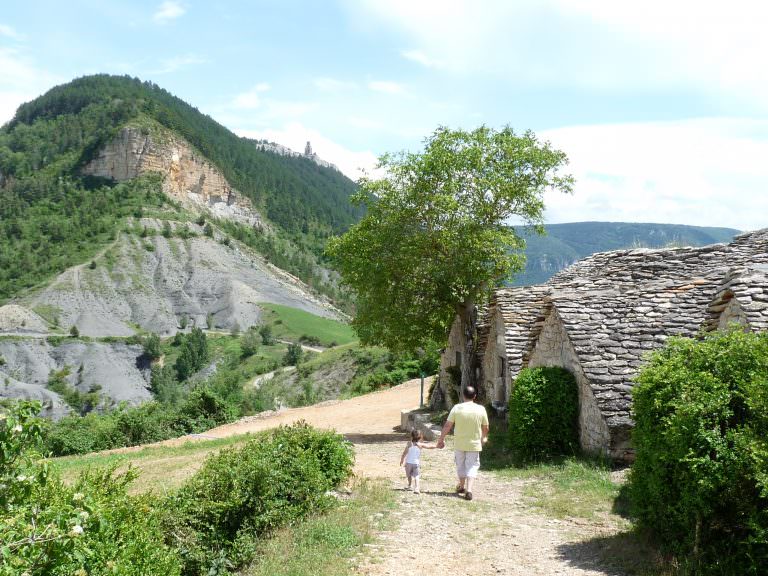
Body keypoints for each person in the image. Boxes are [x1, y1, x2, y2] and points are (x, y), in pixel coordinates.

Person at [436, 386, 489, 501]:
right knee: (472, 466)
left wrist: (441, 439)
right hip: (474, 444)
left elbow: (447, 425)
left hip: (459, 443)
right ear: (475, 396)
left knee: (460, 465)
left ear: (463, 395)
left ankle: (461, 486)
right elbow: (486, 427)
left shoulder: (457, 408)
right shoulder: (481, 409)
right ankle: (469, 490)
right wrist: (484, 438)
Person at [399, 429, 435, 494]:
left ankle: (409, 485)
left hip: (408, 463)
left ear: (411, 436)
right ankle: (417, 488)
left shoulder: (409, 443)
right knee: (416, 476)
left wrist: (402, 459)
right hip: (416, 463)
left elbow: (404, 453)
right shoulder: (420, 445)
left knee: (409, 475)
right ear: (420, 437)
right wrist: (437, 446)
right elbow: (429, 446)